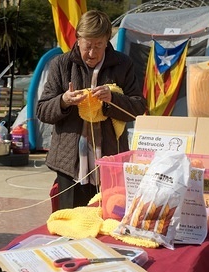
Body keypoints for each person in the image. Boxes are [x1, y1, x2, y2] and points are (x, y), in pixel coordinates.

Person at [36, 10, 147, 210]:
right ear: (78, 39)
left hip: (110, 161)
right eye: (88, 45)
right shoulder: (61, 65)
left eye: (99, 45)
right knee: (69, 223)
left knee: (107, 219)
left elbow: (138, 108)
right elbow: (42, 110)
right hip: (69, 164)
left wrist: (113, 99)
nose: (92, 53)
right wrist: (64, 100)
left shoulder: (123, 64)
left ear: (107, 41)